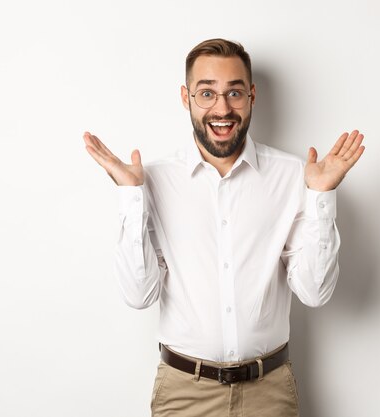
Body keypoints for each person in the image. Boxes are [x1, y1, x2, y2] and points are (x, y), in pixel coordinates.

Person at [83, 38, 365, 417]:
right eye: (206, 93)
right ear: (186, 98)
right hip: (184, 393)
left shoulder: (292, 175)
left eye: (234, 92)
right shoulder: (155, 180)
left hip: (270, 391)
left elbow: (315, 292)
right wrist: (132, 196)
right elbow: (139, 295)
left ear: (251, 96)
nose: (222, 108)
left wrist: (320, 196)